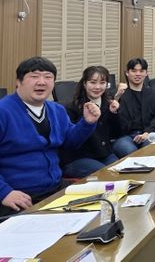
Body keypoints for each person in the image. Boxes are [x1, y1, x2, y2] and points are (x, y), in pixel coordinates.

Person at [0, 57, 99, 217]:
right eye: (34, 76)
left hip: (54, 188)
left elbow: (70, 142)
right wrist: (4, 192)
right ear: (18, 81)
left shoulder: (56, 110)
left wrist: (87, 123)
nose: (41, 82)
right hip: (19, 196)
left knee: (102, 207)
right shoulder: (3, 111)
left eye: (48, 77)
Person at [60, 66, 121, 178]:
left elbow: (118, 133)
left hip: (104, 154)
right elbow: (71, 141)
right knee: (106, 176)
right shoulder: (72, 107)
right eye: (93, 82)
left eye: (102, 83)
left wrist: (114, 113)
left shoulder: (108, 104)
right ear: (84, 84)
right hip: (79, 158)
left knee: (122, 173)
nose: (97, 87)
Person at [114, 57, 155, 156]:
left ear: (146, 73)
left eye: (141, 71)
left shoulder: (154, 94)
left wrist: (147, 132)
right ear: (127, 73)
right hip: (125, 136)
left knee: (151, 149)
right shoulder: (119, 94)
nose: (138, 74)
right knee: (131, 151)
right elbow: (113, 122)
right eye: (134, 71)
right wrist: (116, 98)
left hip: (147, 133)